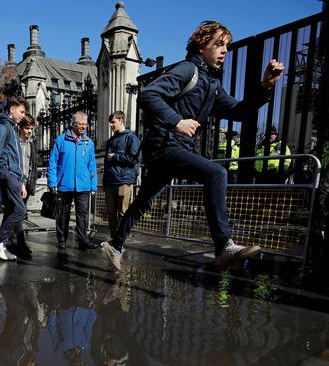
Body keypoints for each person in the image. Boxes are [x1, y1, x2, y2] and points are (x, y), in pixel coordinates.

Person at [101, 21, 284, 271]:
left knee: (143, 200)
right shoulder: (188, 70)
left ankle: (115, 244)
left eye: (227, 46)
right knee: (215, 172)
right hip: (164, 145)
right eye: (219, 44)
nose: (224, 51)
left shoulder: (212, 85)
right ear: (201, 47)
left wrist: (265, 87)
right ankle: (224, 247)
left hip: (176, 149)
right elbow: (148, 94)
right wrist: (177, 121)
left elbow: (241, 112)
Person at [48, 112, 98, 250]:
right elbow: (52, 162)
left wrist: (93, 185)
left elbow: (92, 164)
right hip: (64, 185)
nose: (83, 127)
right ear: (73, 124)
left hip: (83, 185)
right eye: (80, 124)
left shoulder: (89, 142)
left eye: (85, 124)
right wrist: (52, 183)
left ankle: (83, 240)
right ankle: (62, 239)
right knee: (63, 214)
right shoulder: (61, 140)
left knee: (82, 214)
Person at [0, 96, 28, 261]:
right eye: (21, 111)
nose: (23, 115)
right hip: (8, 175)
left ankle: (1, 243)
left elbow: (15, 157)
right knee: (20, 210)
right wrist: (5, 174)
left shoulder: (12, 128)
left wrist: (20, 180)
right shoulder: (3, 128)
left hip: (15, 177)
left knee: (12, 210)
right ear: (12, 109)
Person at [103, 111, 141, 238]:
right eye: (110, 122)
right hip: (110, 181)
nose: (111, 125)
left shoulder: (131, 137)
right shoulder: (110, 141)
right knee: (110, 212)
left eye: (113, 122)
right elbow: (107, 162)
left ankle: (120, 239)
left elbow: (134, 159)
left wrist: (115, 156)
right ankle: (113, 238)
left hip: (123, 181)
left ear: (121, 120)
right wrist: (104, 180)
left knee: (122, 212)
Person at [8, 113, 38, 258]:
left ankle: (9, 240)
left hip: (26, 183)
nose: (29, 131)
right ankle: (20, 242)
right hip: (16, 183)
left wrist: (31, 183)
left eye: (32, 129)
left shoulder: (32, 143)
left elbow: (33, 164)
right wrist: (19, 183)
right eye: (27, 128)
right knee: (19, 213)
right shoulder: (14, 142)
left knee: (18, 213)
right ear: (20, 128)